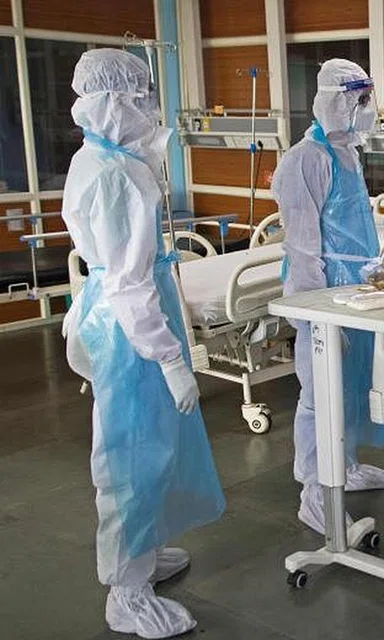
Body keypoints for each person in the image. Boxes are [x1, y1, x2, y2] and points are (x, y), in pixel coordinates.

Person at [61, 49, 226, 638]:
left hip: (122, 315)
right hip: (131, 328)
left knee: (152, 445)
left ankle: (144, 552)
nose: (150, 108)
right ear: (113, 103)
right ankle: (126, 592)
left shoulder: (101, 158)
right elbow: (129, 284)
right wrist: (171, 359)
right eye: (140, 97)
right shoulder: (117, 175)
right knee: (131, 455)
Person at [272, 59, 384, 536]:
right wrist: (312, 315)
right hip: (324, 293)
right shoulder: (306, 159)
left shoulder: (347, 154)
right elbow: (304, 246)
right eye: (359, 99)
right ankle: (315, 493)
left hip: (355, 289)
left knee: (351, 385)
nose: (367, 108)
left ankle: (345, 466)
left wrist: (375, 268)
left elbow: (349, 227)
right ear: (337, 101)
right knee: (319, 395)